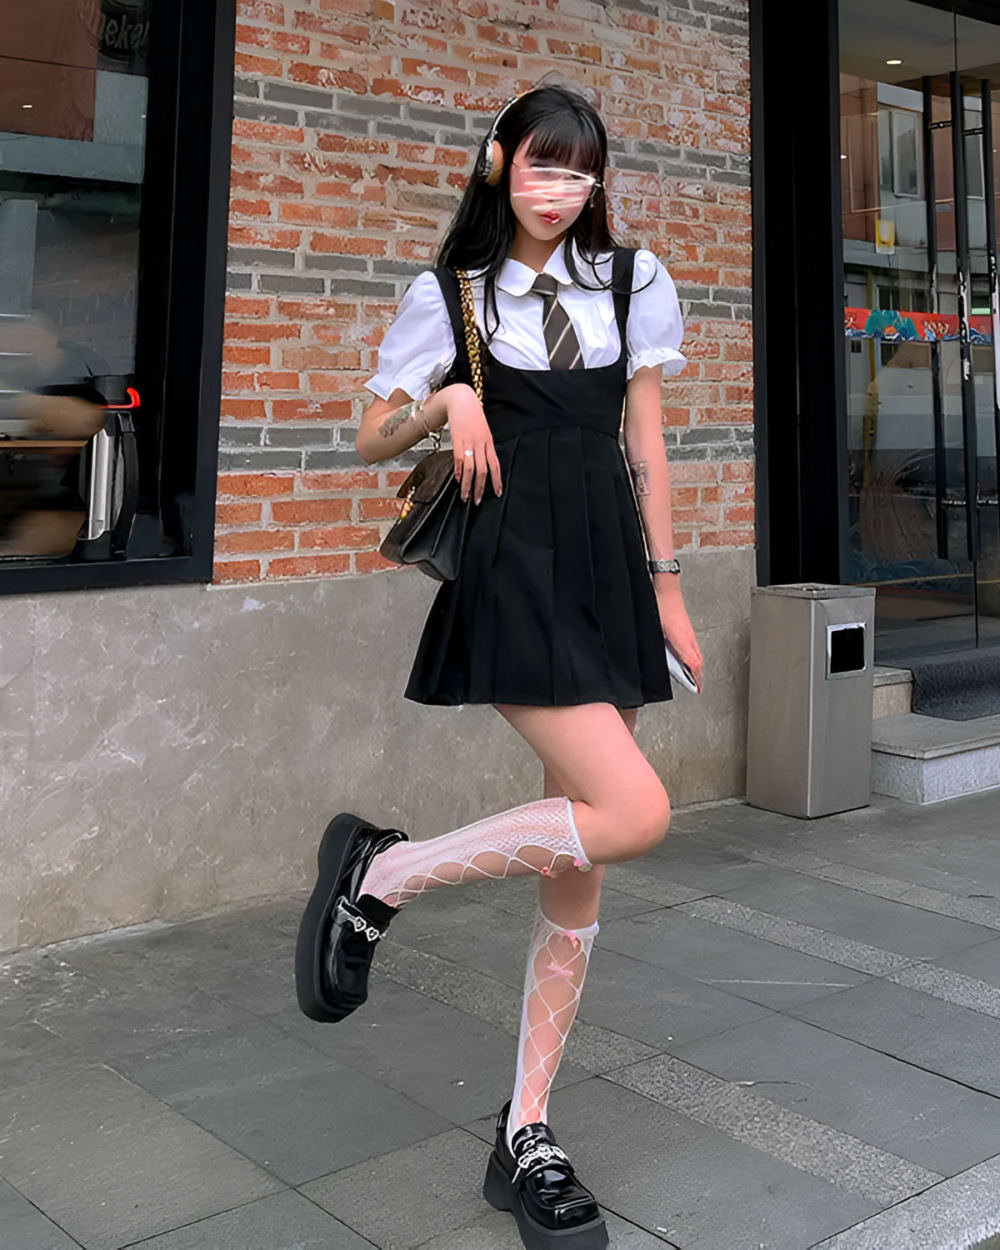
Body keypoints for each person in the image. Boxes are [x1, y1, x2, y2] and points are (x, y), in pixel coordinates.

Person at [296, 82, 702, 1250]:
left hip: (608, 572)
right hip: (515, 570)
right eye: (540, 164)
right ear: (497, 164)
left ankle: (525, 1127)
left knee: (579, 856)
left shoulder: (634, 281)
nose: (559, 188)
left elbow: (645, 440)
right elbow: (368, 433)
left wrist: (668, 586)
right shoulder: (452, 296)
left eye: (579, 170)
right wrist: (447, 400)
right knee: (630, 810)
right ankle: (383, 874)